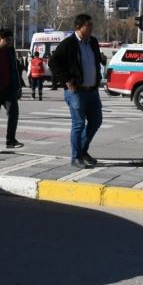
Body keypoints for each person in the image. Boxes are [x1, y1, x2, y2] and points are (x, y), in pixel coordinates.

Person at [48, 13, 103, 169]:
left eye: (92, 25)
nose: (91, 28)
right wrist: (66, 79)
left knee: (96, 121)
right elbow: (53, 62)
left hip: (92, 90)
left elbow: (96, 61)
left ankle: (82, 151)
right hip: (76, 91)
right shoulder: (69, 44)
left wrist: (97, 77)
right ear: (79, 27)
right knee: (78, 124)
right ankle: (76, 157)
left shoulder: (93, 42)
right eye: (88, 25)